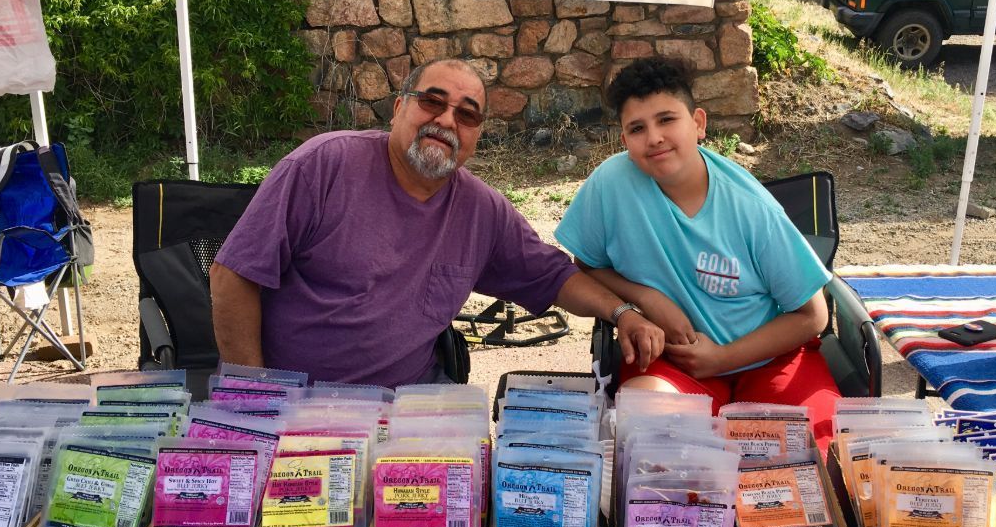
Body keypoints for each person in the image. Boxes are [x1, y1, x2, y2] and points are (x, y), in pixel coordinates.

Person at [210, 58, 665, 387]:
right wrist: (257, 392)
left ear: (476, 136)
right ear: (397, 109)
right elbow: (233, 274)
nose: (446, 120)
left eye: (466, 114)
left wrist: (622, 312)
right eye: (432, 101)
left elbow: (552, 276)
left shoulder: (481, 209)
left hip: (410, 404)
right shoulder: (324, 165)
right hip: (297, 398)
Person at [554, 57, 841, 445]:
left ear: (699, 124)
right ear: (624, 141)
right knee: (645, 437)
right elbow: (585, 264)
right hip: (674, 362)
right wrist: (645, 298)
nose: (653, 137)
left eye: (667, 119)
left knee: (805, 459)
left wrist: (723, 359)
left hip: (770, 359)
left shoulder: (752, 208)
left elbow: (812, 316)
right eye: (637, 128)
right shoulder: (611, 183)